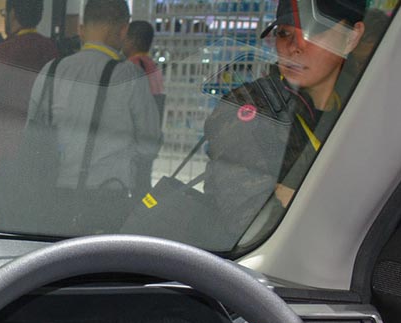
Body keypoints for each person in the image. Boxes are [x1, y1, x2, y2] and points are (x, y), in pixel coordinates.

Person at [203, 0, 366, 238]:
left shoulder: (363, 108)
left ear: (352, 38)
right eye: (284, 33)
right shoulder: (252, 108)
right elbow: (255, 226)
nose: (294, 47)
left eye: (313, 32)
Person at [24, 0, 161, 227]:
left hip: (52, 198)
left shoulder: (51, 70)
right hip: (107, 200)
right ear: (124, 30)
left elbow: (32, 132)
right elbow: (149, 143)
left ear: (81, 29)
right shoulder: (129, 76)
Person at [0, 0, 59, 194]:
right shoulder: (52, 50)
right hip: (43, 149)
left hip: (8, 150)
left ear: (12, 14)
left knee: (7, 206)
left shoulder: (3, 52)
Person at [124, 19, 164, 190]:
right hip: (152, 134)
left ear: (132, 40)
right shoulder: (152, 65)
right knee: (143, 182)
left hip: (136, 137)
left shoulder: (133, 66)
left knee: (133, 182)